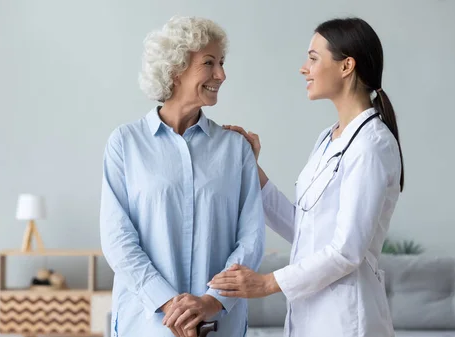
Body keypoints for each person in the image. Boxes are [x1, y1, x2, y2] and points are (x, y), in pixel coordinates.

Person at [209, 17, 404, 337]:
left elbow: (346, 251)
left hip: (347, 320)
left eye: (313, 58)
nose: (304, 68)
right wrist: (252, 171)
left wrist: (267, 283)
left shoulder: (372, 145)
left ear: (346, 66)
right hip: (311, 315)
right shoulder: (329, 139)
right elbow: (305, 229)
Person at [99, 16, 265, 337]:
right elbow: (117, 239)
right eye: (209, 63)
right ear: (175, 69)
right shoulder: (125, 143)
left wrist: (210, 301)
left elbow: (252, 238)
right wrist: (170, 303)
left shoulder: (235, 148)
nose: (221, 74)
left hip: (220, 322)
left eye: (221, 62)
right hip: (148, 323)